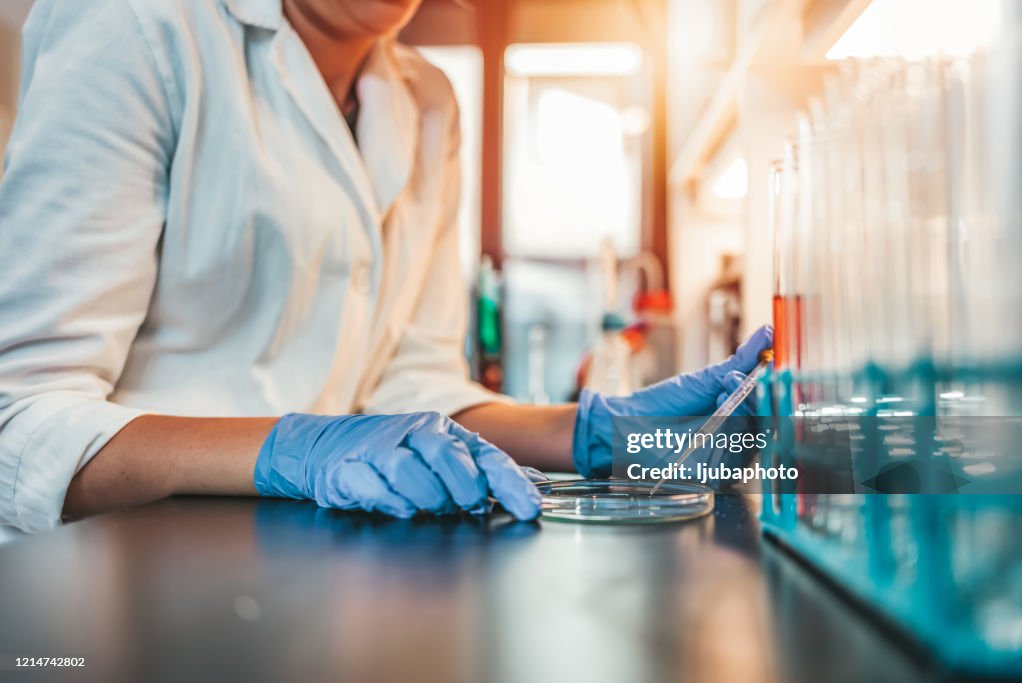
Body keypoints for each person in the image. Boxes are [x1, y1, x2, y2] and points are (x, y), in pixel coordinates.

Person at [0, 0, 772, 532]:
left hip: (302, 576)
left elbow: (416, 384)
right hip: (121, 585)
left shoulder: (428, 100)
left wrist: (604, 435)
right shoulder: (137, 24)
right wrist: (292, 450)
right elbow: (19, 419)